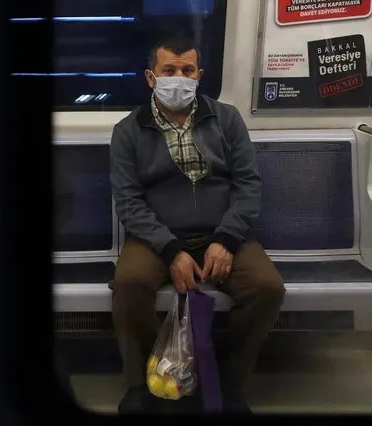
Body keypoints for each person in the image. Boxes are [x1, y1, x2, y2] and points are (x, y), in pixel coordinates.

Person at [109, 35, 285, 414]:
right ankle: (142, 382)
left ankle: (228, 383)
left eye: (187, 70)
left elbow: (248, 183)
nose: (179, 78)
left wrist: (227, 237)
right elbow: (128, 200)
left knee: (267, 287)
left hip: (222, 231)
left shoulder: (226, 119)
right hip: (157, 235)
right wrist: (170, 249)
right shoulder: (128, 131)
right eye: (168, 70)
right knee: (129, 283)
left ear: (200, 75)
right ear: (150, 77)